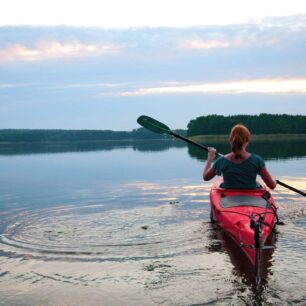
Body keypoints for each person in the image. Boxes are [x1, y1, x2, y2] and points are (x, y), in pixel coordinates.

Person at [203, 124, 276, 189]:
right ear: (247, 139)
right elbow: (272, 185)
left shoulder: (221, 161)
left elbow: (206, 177)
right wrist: (274, 179)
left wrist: (210, 157)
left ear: (230, 139)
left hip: (228, 201)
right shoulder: (257, 160)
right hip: (252, 200)